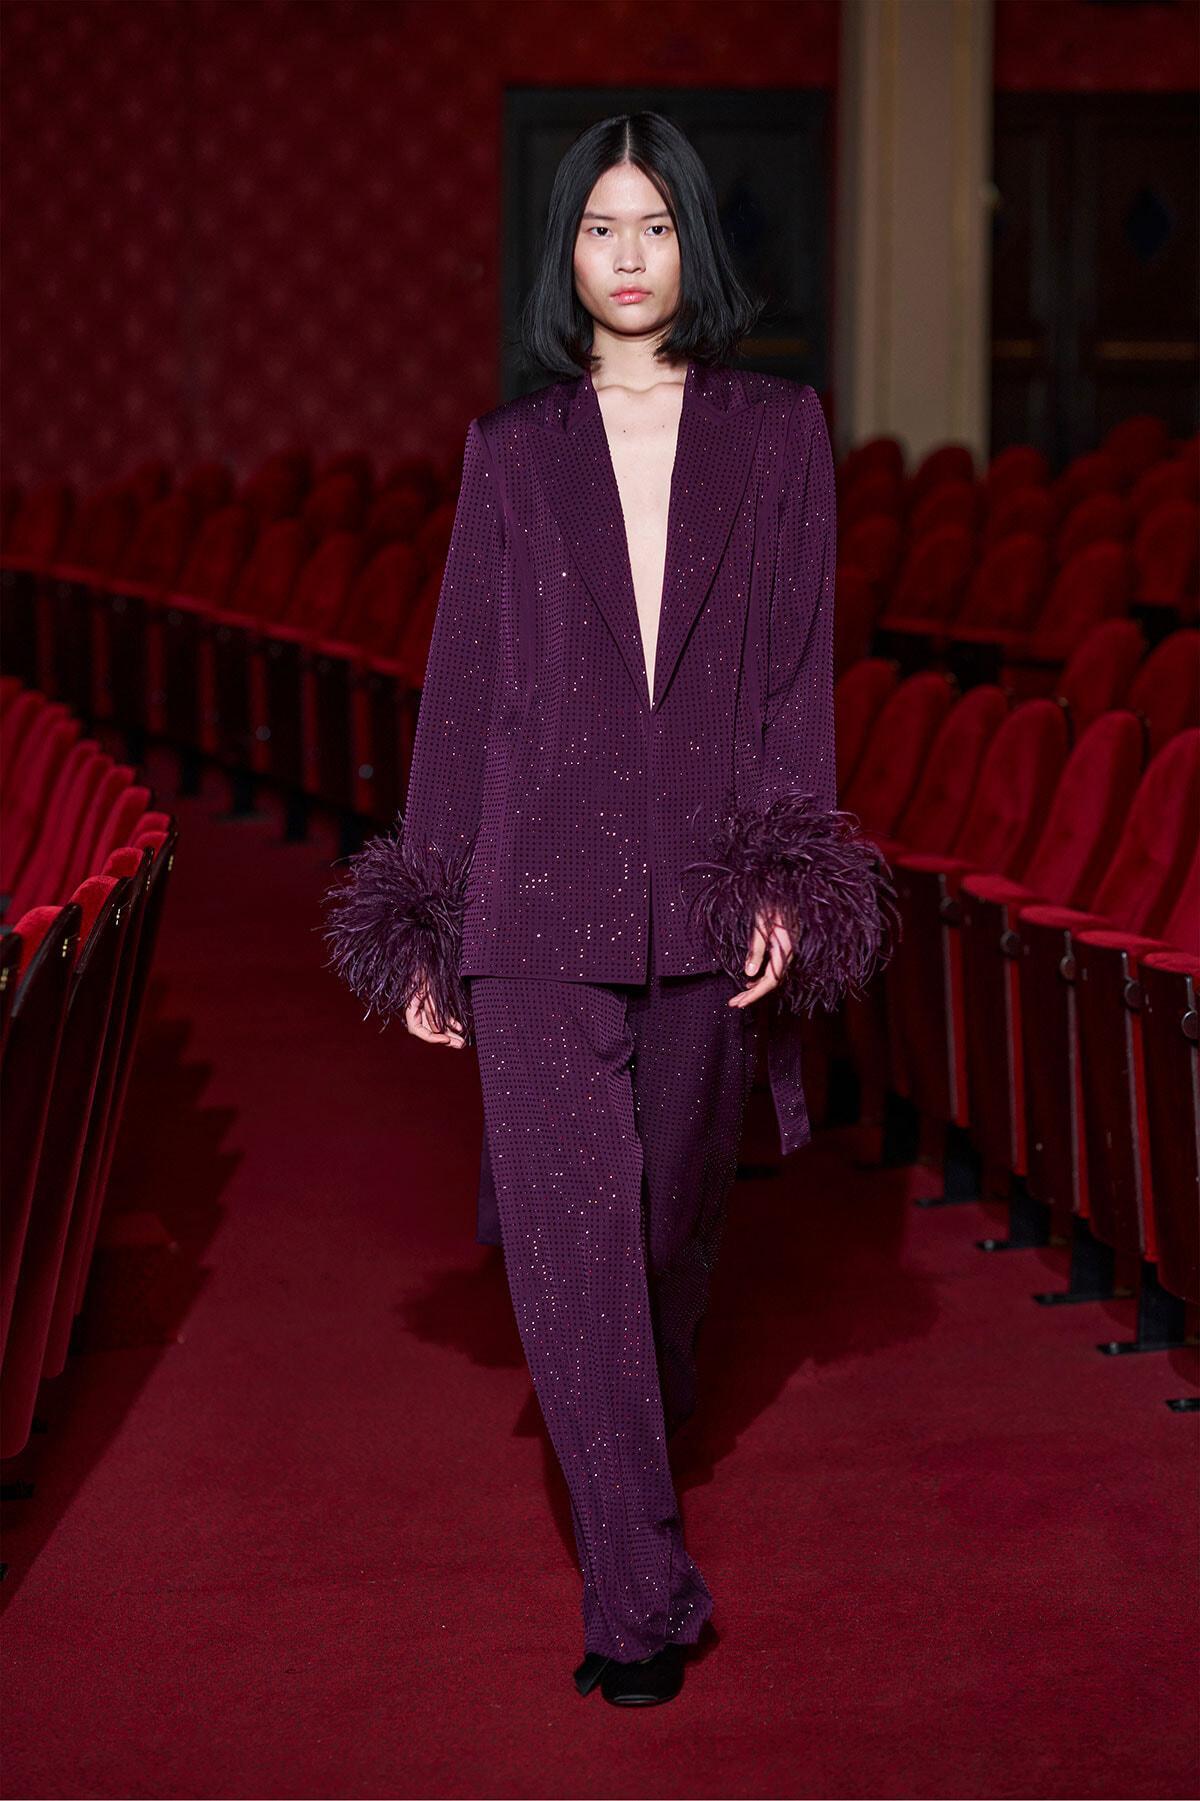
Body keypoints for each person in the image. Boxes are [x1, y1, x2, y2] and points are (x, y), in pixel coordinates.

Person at [321, 112, 893, 1708]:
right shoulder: (511, 458)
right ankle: (637, 1597)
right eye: (597, 228)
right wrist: (429, 910)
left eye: (653, 226)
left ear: (692, 246)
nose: (627, 257)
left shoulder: (779, 435)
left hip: (709, 900)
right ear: (562, 254)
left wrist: (790, 869)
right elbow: (465, 697)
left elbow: (791, 681)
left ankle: (636, 1408)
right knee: (574, 1253)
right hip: (532, 900)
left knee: (658, 1232)